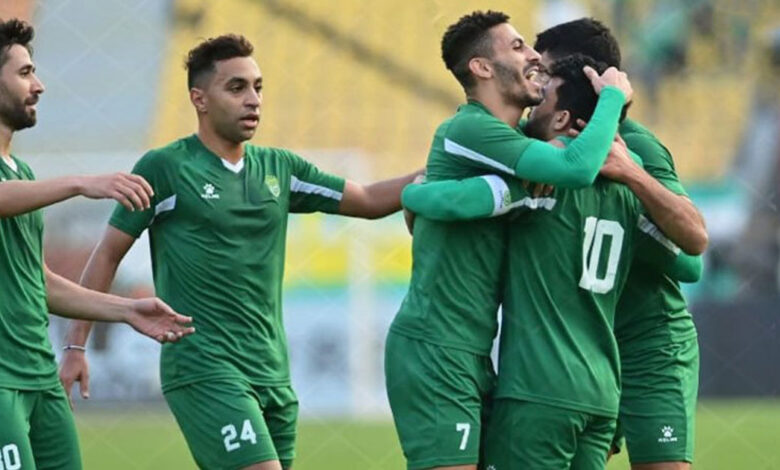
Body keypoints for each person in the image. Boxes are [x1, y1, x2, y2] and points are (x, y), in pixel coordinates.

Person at [59, 34, 421, 470]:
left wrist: (438, 169)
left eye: (258, 87)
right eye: (236, 88)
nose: (253, 100)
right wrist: (75, 346)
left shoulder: (280, 168)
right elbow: (107, 254)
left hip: (272, 372)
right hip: (203, 367)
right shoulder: (166, 168)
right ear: (199, 99)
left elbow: (367, 199)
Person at [401, 54, 701, 470]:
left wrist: (414, 193)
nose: (530, 108)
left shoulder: (537, 186)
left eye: (542, 101)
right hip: (601, 393)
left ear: (561, 119)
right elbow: (689, 263)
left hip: (539, 389)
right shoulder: (630, 191)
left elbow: (452, 202)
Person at [384, 10, 632, 470]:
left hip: (475, 351)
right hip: (435, 346)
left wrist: (423, 195)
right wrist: (613, 98)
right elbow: (576, 169)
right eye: (518, 47)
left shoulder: (514, 142)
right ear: (481, 67)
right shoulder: (471, 128)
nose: (534, 55)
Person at [0, 18, 194, 470]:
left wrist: (125, 310)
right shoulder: (26, 186)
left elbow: (39, 283)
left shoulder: (21, 173)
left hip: (39, 375)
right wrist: (80, 183)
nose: (39, 86)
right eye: (25, 73)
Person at [534, 18, 707, 469]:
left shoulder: (634, 144)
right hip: (584, 348)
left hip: (648, 344)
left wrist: (629, 179)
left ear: (587, 74)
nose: (536, 84)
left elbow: (691, 261)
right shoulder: (536, 142)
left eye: (546, 72)